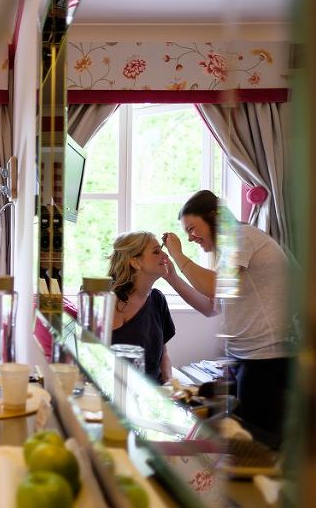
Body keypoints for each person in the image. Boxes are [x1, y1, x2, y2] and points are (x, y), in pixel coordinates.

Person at [162, 189, 293, 442]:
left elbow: (214, 287)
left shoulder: (243, 237)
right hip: (248, 358)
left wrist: (178, 255)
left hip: (267, 359)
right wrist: (173, 278)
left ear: (213, 216)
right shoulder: (231, 250)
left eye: (192, 228)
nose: (190, 238)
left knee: (259, 444)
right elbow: (211, 306)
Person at [108, 231, 176, 384]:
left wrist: (169, 383)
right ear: (135, 262)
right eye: (156, 251)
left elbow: (163, 353)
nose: (165, 256)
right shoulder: (110, 302)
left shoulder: (158, 299)